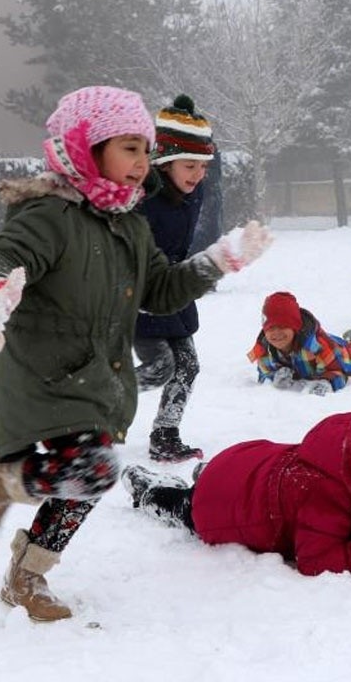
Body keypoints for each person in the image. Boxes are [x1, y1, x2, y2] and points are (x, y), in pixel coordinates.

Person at [0, 86, 272, 622]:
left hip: (96, 378)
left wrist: (219, 260)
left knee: (86, 480)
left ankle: (25, 576)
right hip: (45, 375)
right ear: (87, 146)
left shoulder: (128, 222)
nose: (142, 162)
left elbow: (160, 290)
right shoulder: (48, 215)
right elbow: (3, 256)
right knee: (96, 470)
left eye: (146, 150)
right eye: (130, 147)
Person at [121, 372, 351, 576]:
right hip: (222, 505)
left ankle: (206, 474)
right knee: (186, 506)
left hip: (249, 463)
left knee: (221, 480)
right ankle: (148, 490)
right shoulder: (327, 493)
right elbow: (314, 560)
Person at [134, 95, 218, 464]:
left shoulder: (193, 190)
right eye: (189, 165)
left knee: (187, 364)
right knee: (158, 368)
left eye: (202, 166)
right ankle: (98, 403)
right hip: (139, 294)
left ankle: (165, 434)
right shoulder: (140, 194)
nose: (197, 174)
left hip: (175, 286)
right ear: (164, 161)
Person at [247, 291, 351, 395]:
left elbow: (339, 372)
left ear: (294, 327)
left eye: (283, 326)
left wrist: (327, 382)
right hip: (321, 350)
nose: (276, 333)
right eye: (270, 328)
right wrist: (274, 378)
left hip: (334, 351)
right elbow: (264, 373)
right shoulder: (264, 349)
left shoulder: (317, 346)